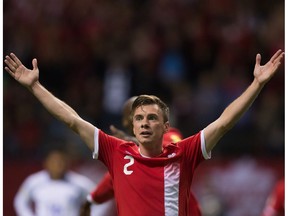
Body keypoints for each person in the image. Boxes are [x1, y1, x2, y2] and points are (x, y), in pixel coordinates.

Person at [4, 49, 284, 215]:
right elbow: (72, 120)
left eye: (152, 117)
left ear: (165, 126)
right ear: (133, 126)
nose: (145, 122)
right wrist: (34, 87)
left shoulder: (183, 153)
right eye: (139, 118)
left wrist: (257, 85)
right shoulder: (116, 151)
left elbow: (224, 122)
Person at [80, 97, 201, 216]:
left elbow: (172, 148)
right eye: (137, 116)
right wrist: (91, 200)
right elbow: (111, 180)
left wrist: (136, 142)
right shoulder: (126, 156)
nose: (144, 121)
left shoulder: (170, 134)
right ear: (127, 121)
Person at [13, 147, 96, 216]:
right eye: (54, 161)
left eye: (61, 161)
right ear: (46, 162)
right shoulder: (34, 182)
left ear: (67, 162)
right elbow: (20, 202)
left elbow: (100, 199)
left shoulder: (79, 183)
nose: (58, 165)